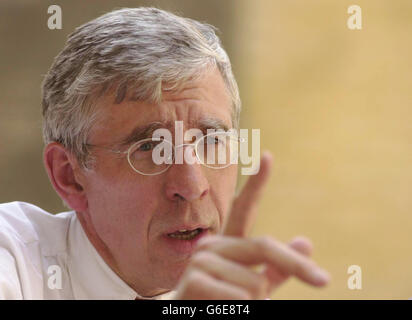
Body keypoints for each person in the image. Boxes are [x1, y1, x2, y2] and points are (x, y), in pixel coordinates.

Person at [0, 7, 329, 299]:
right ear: (70, 177)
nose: (191, 186)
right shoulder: (12, 259)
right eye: (149, 148)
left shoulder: (231, 294)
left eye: (211, 140)